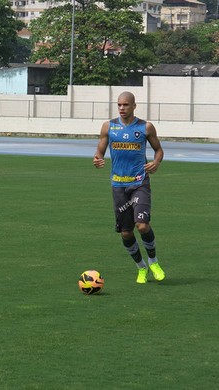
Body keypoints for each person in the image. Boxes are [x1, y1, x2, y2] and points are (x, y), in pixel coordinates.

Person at [93, 91, 166, 283]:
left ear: (134, 106)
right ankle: (141, 268)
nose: (122, 108)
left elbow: (159, 150)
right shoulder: (109, 127)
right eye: (119, 105)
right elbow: (100, 150)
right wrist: (97, 159)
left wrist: (156, 163)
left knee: (142, 225)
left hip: (139, 183)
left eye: (125, 105)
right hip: (118, 185)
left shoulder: (145, 127)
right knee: (126, 232)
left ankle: (153, 261)